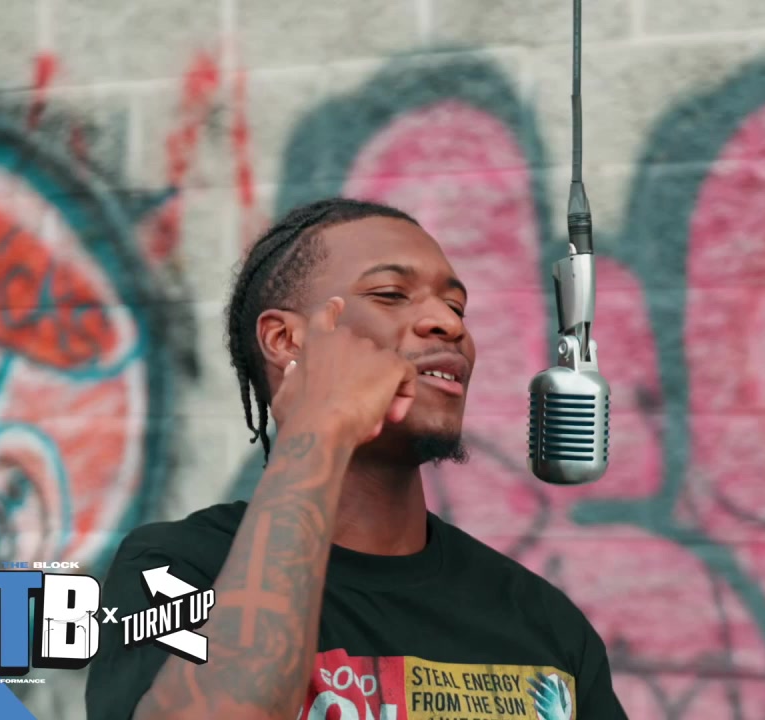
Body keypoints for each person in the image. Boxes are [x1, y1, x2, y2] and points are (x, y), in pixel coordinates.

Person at [83, 197, 627, 720]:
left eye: (456, 306)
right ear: (285, 340)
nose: (449, 324)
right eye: (391, 294)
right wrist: (319, 425)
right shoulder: (174, 570)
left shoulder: (543, 623)